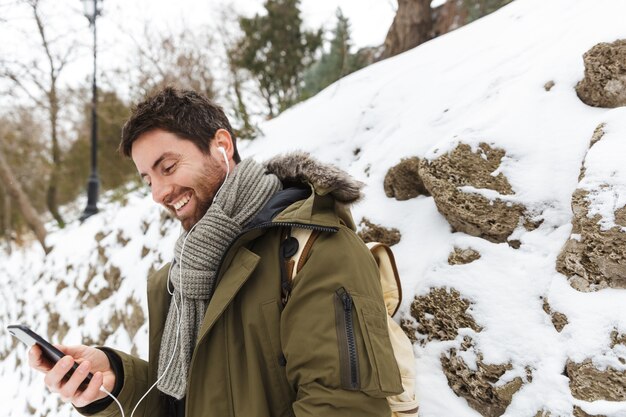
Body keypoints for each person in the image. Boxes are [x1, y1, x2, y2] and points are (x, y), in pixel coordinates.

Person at [28, 87, 403, 416]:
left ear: (221, 146)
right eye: (149, 180)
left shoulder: (314, 250)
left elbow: (342, 408)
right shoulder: (181, 279)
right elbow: (182, 403)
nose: (159, 192)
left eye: (169, 167)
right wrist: (113, 380)